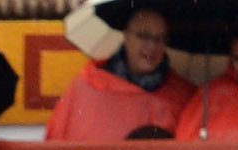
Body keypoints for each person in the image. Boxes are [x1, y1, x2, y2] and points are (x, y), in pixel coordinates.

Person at [44, 5, 195, 142]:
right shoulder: (85, 88)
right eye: (143, 35)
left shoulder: (183, 97)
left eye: (160, 38)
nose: (152, 46)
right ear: (126, 35)